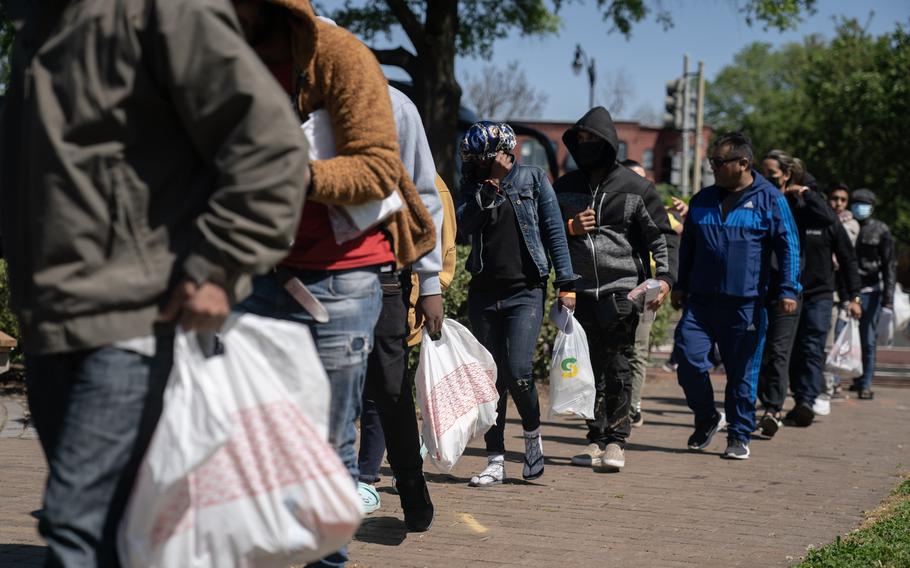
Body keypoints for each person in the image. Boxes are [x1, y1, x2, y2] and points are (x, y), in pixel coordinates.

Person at [0, 1, 309, 564]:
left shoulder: (167, 10)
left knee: (75, 528)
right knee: (119, 529)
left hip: (138, 319)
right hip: (49, 319)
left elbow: (271, 146)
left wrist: (218, 265)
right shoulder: (35, 25)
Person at [229, 1, 436, 564]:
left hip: (340, 280)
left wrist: (290, 172)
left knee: (327, 446)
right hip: (251, 274)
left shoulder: (339, 56)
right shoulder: (216, 55)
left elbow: (377, 169)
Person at [556, 110, 677, 472]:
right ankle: (595, 437)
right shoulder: (565, 188)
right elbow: (545, 235)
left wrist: (666, 278)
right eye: (581, 141)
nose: (586, 147)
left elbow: (662, 235)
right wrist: (569, 226)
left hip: (621, 290)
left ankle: (617, 441)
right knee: (587, 369)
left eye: (594, 141)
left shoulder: (635, 188)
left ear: (609, 144)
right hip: (578, 292)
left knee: (618, 364)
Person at [457, 121, 575, 487]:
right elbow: (462, 229)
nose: (476, 165)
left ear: (504, 154)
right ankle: (495, 459)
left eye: (483, 159)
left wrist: (566, 283)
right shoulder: (474, 185)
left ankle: (532, 437)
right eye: (473, 160)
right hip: (484, 293)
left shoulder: (534, 179)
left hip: (526, 292)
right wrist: (489, 185)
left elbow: (554, 229)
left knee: (519, 371)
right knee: (490, 380)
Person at [354, 85, 449, 532]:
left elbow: (424, 197)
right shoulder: (279, 91)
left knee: (390, 392)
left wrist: (430, 282)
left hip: (382, 275)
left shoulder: (393, 105)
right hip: (305, 277)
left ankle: (412, 488)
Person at [672, 133, 801, 460]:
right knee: (688, 361)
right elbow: (688, 248)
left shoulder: (770, 199)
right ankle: (706, 417)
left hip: (745, 305)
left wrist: (788, 288)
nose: (712, 167)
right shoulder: (702, 200)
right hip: (700, 304)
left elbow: (789, 248)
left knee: (742, 374)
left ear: (742, 163)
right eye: (711, 162)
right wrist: (680, 285)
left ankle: (740, 434)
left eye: (718, 162)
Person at [755, 151, 836, 435]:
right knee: (759, 349)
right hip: (755, 284)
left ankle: (773, 408)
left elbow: (828, 220)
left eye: (772, 174)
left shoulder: (797, 203)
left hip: (788, 285)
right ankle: (765, 401)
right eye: (761, 172)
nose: (765, 178)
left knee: (780, 349)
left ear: (786, 175)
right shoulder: (755, 197)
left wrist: (807, 195)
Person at [786, 180, 862, 422]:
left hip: (820, 295)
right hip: (790, 293)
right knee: (793, 349)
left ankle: (807, 400)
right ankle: (799, 397)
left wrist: (854, 296)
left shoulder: (831, 224)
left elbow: (848, 260)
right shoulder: (793, 219)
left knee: (812, 346)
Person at [845, 188, 896, 400]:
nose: (860, 207)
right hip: (847, 291)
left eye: (864, 203)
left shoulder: (881, 230)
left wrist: (888, 300)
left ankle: (864, 383)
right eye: (856, 203)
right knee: (843, 337)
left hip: (872, 291)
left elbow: (889, 265)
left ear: (872, 207)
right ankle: (841, 379)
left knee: (868, 340)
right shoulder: (846, 227)